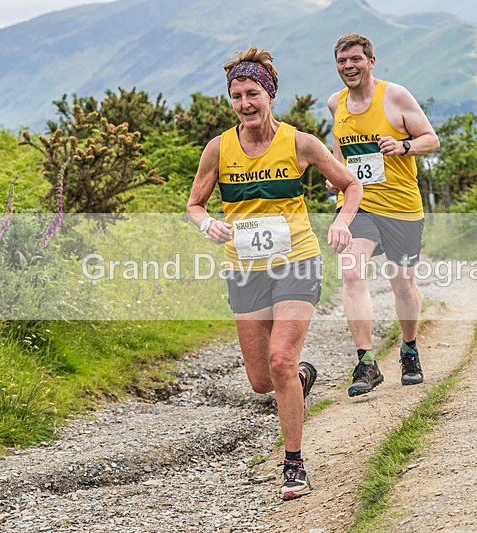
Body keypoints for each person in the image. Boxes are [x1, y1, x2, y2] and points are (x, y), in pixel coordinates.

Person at [187, 46, 362, 500]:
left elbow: (351, 185)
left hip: (296, 261)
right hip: (244, 269)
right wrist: (208, 223)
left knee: (280, 358)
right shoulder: (218, 148)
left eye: (252, 94)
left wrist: (341, 221)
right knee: (264, 380)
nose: (245, 104)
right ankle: (301, 381)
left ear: (270, 95)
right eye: (236, 96)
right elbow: (194, 204)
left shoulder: (299, 142)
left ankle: (294, 465)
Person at [326, 33, 440, 397]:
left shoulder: (395, 96)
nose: (349, 67)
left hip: (402, 207)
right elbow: (340, 153)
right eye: (343, 61)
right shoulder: (335, 103)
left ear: (371, 61)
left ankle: (409, 349)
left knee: (402, 283)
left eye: (356, 59)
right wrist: (337, 177)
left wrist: (403, 146)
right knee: (351, 271)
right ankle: (366, 362)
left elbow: (431, 140)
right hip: (361, 206)